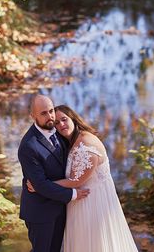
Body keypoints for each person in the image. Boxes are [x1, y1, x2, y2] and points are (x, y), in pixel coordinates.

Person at [28, 105, 138, 252]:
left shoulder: (86, 143)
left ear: (73, 118)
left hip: (92, 204)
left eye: (64, 119)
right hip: (79, 202)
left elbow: (76, 180)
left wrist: (40, 185)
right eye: (56, 123)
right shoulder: (72, 141)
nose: (61, 125)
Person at [18, 95, 90, 252]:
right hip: (40, 212)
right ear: (33, 116)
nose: (50, 116)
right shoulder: (28, 147)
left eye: (51, 111)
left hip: (60, 208)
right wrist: (73, 194)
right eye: (43, 113)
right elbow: (40, 185)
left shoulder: (58, 132)